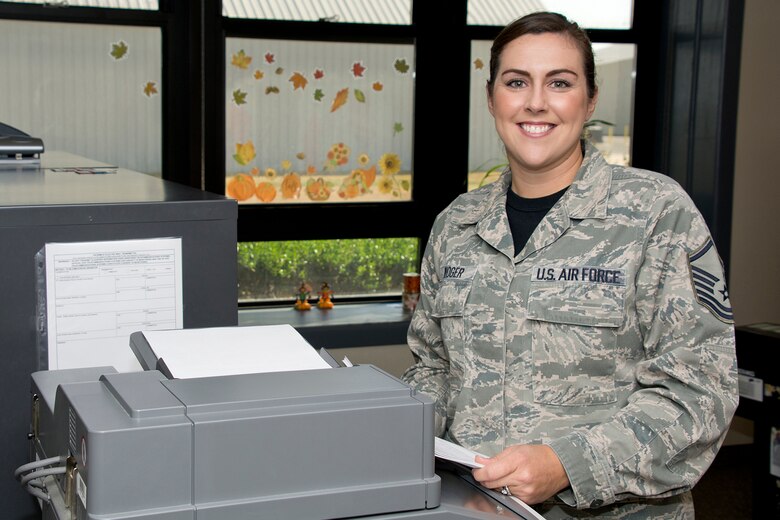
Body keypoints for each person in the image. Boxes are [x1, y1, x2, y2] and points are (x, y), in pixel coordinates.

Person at [402, 11, 738, 519]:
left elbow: (700, 394)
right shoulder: (457, 225)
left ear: (590, 99)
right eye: (517, 82)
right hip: (470, 507)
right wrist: (391, 430)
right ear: (492, 97)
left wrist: (567, 464)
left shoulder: (655, 213)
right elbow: (435, 368)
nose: (536, 102)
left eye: (560, 82)